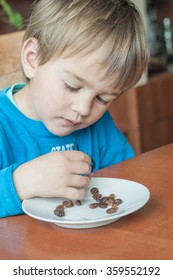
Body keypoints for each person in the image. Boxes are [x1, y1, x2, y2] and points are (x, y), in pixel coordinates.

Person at [0, 0, 148, 218]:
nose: (83, 109)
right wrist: (19, 183)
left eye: (102, 98)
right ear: (33, 59)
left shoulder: (98, 124)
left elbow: (127, 181)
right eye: (72, 86)